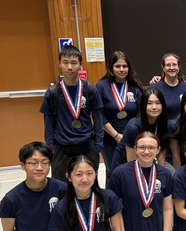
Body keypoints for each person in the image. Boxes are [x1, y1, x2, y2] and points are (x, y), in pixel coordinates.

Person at [108, 132, 173, 231]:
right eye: (142, 147)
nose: (146, 151)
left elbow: (168, 208)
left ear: (158, 150)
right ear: (135, 149)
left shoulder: (165, 174)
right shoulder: (120, 173)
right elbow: (115, 212)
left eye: (151, 147)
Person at [40, 45, 103, 182]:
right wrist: (52, 150)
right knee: (62, 189)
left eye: (74, 63)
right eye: (66, 62)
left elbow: (98, 120)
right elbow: (48, 125)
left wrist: (98, 146)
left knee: (88, 186)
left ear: (80, 65)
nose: (70, 67)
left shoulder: (90, 90)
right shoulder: (53, 93)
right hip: (62, 149)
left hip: (87, 147)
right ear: (60, 64)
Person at [96, 51, 143, 183]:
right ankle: (111, 201)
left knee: (132, 171)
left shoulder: (134, 87)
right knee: (113, 171)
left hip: (132, 139)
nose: (121, 69)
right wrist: (116, 135)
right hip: (110, 139)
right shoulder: (102, 87)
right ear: (111, 67)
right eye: (117, 66)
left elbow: (140, 113)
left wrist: (129, 135)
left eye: (124, 66)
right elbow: (99, 115)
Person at [111, 88, 170, 171]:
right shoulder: (133, 127)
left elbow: (162, 154)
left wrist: (161, 174)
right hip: (125, 166)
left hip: (147, 162)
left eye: (158, 103)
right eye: (149, 103)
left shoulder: (164, 124)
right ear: (143, 106)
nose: (154, 107)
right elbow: (131, 162)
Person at [149, 53, 186, 120]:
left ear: (178, 67)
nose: (171, 68)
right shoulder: (154, 88)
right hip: (163, 128)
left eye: (174, 64)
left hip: (184, 128)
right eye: (168, 65)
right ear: (163, 67)